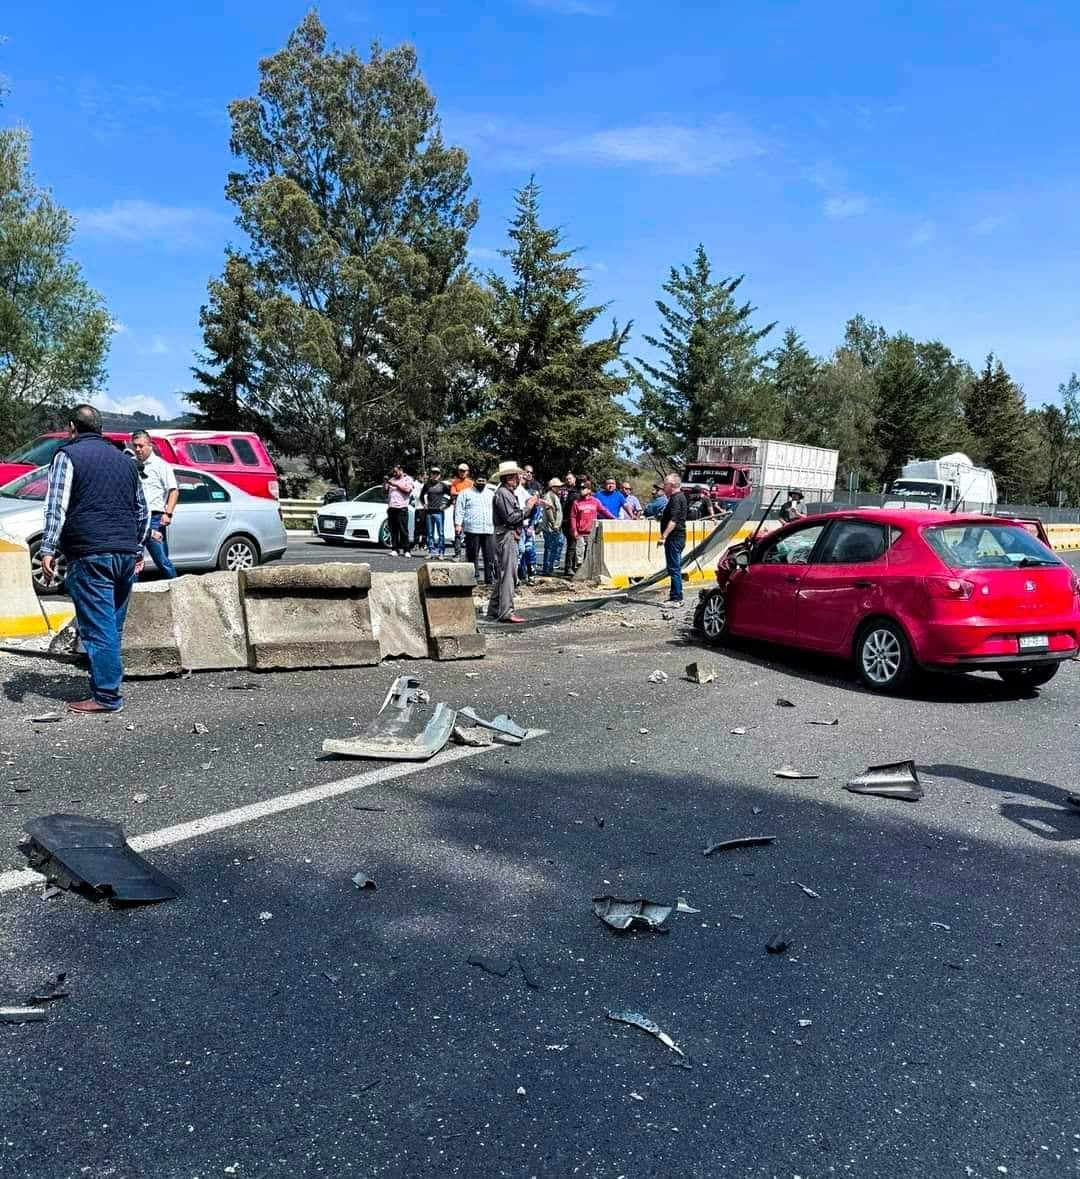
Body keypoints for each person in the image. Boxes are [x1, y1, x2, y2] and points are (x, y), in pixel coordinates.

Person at [39, 404, 149, 714]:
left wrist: (48, 548)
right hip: (125, 555)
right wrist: (137, 548)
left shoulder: (67, 455)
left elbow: (56, 506)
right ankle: (106, 683)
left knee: (99, 628)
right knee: (112, 626)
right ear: (99, 428)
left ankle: (106, 696)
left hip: (90, 553)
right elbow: (143, 511)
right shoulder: (126, 461)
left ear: (72, 427)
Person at [488, 461, 537, 624]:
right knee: (509, 574)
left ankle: (495, 608)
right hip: (507, 534)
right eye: (517, 476)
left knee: (505, 573)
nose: (519, 479)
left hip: (507, 534)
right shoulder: (504, 493)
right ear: (510, 478)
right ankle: (506, 612)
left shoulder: (505, 493)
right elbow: (511, 517)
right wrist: (528, 507)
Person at [130, 429, 178, 579]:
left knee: (161, 560)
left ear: (149, 444)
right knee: (133, 560)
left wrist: (168, 513)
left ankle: (178, 590)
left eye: (141, 446)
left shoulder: (161, 465)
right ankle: (132, 596)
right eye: (135, 446)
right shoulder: (131, 464)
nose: (138, 449)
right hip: (135, 517)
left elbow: (174, 490)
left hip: (154, 519)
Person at [454, 473, 496, 584]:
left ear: (486, 482)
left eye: (483, 481)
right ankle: (473, 579)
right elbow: (459, 510)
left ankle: (489, 579)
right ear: (474, 481)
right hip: (472, 529)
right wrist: (458, 524)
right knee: (472, 556)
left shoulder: (491, 494)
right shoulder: (465, 493)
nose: (481, 483)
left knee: (489, 556)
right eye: (479, 481)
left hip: (489, 529)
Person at [658, 473, 688, 608]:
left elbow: (674, 519)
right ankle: (674, 595)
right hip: (677, 537)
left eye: (665, 484)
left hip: (674, 538)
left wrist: (664, 536)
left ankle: (676, 598)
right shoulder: (678, 497)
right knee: (674, 567)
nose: (663, 487)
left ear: (671, 486)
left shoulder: (676, 499)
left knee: (674, 568)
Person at [568, 483, 615, 570]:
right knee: (579, 554)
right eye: (580, 488)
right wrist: (574, 530)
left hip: (591, 532)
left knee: (590, 553)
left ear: (589, 490)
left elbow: (604, 511)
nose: (581, 490)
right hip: (580, 532)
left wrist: (614, 519)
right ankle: (578, 570)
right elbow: (573, 517)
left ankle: (588, 571)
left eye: (584, 488)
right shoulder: (576, 502)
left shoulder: (595, 501)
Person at [420, 467, 452, 559]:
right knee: (430, 533)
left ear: (439, 475)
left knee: (441, 533)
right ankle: (431, 551)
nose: (435, 475)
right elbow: (421, 496)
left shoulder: (443, 485)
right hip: (429, 511)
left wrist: (446, 506)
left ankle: (441, 552)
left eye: (437, 473)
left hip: (439, 512)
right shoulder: (427, 485)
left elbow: (451, 496)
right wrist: (424, 504)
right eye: (433, 473)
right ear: (431, 474)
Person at [385, 465, 414, 556]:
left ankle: (406, 550)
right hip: (391, 507)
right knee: (393, 530)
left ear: (401, 470)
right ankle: (395, 549)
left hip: (402, 508)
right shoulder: (392, 479)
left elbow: (407, 490)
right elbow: (385, 491)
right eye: (393, 472)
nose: (394, 473)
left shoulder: (407, 479)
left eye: (396, 471)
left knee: (403, 530)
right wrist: (385, 483)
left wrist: (395, 484)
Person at [540, 478, 565, 576]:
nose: (560, 488)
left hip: (555, 527)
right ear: (552, 487)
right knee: (550, 548)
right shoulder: (549, 496)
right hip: (551, 528)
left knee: (556, 546)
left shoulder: (554, 496)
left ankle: (549, 568)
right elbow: (549, 510)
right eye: (558, 486)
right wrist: (554, 524)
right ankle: (547, 569)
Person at [449, 463, 474, 559]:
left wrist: (459, 493)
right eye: (460, 470)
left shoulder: (471, 483)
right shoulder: (455, 482)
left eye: (464, 471)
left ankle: (469, 555)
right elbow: (452, 493)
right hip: (457, 510)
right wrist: (464, 493)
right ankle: (457, 554)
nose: (462, 472)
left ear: (467, 472)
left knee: (469, 533)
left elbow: (472, 495)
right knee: (457, 532)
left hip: (469, 510)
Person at [561, 473, 580, 575]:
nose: (568, 481)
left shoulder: (575, 492)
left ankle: (571, 566)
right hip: (568, 521)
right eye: (567, 479)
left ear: (574, 479)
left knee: (573, 545)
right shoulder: (567, 493)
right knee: (571, 545)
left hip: (573, 521)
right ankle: (568, 568)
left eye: (570, 479)